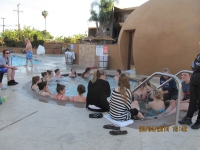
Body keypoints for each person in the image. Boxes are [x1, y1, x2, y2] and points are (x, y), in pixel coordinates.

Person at [179, 54, 200, 129]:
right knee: (192, 101)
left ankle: (198, 122)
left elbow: (196, 66)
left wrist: (197, 67)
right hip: (194, 81)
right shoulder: (198, 56)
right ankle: (188, 118)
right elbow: (193, 65)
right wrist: (197, 67)